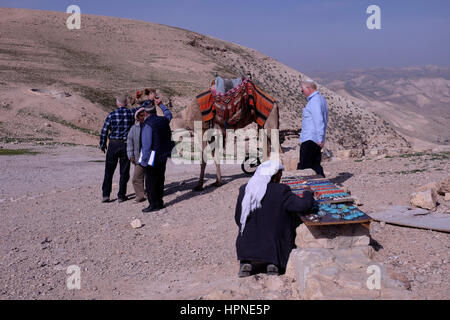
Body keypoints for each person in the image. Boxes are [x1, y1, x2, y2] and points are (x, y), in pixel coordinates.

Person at [234, 160, 314, 277]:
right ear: (275, 176)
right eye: (279, 175)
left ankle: (246, 261)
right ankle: (273, 263)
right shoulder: (281, 190)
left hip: (247, 245)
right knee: (290, 218)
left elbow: (238, 218)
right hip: (273, 243)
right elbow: (303, 206)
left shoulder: (245, 189)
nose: (280, 178)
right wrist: (308, 193)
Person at [99, 95, 140, 203]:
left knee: (109, 171)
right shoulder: (131, 113)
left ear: (117, 103)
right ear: (126, 103)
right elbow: (143, 107)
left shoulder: (112, 115)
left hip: (113, 144)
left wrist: (102, 144)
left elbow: (104, 130)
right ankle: (121, 195)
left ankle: (106, 195)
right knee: (124, 171)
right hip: (126, 144)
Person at [140, 97, 174, 213]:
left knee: (150, 181)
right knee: (160, 179)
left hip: (152, 156)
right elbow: (169, 114)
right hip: (163, 154)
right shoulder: (164, 120)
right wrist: (161, 105)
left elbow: (146, 145)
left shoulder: (147, 124)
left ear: (145, 113)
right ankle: (160, 202)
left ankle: (153, 204)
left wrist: (144, 162)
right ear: (155, 111)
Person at [297, 79, 328, 178]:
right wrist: (321, 138)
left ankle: (303, 190)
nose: (302, 93)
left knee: (304, 168)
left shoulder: (314, 101)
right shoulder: (321, 99)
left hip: (310, 139)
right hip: (315, 139)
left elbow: (319, 120)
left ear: (309, 88)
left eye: (302, 90)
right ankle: (322, 185)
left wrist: (320, 138)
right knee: (315, 165)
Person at [127, 107, 147, 203]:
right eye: (141, 116)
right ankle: (140, 195)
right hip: (138, 157)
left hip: (149, 156)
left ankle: (149, 193)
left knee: (149, 176)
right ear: (137, 118)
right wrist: (130, 155)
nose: (143, 117)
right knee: (137, 177)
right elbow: (130, 142)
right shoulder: (134, 128)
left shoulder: (150, 126)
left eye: (145, 115)